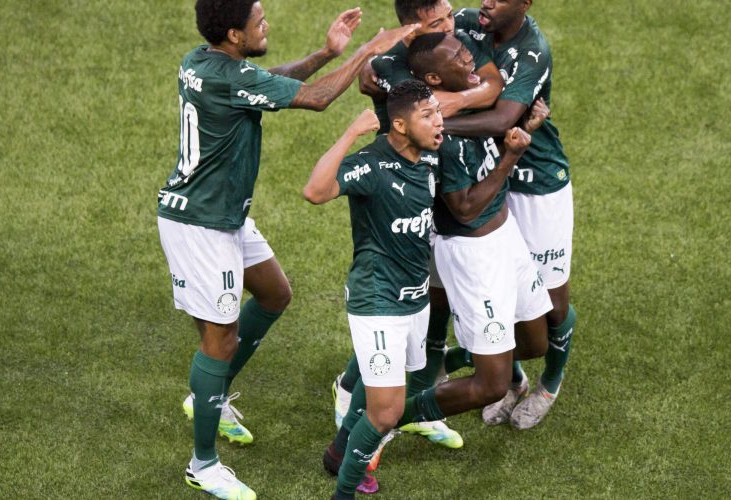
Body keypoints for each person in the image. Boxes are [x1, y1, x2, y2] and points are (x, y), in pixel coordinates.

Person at [156, 1, 417, 497]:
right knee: (220, 340)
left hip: (224, 215)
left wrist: (324, 52)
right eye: (258, 22)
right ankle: (203, 463)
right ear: (234, 35)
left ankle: (207, 396)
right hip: (201, 226)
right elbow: (316, 100)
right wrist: (367, 51)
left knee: (275, 294)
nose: (266, 24)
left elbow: (266, 79)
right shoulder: (229, 76)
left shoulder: (201, 61)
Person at [330, 0, 506, 458]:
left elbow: (492, 88)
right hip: (405, 202)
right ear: (410, 31)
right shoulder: (388, 67)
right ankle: (352, 390)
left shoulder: (455, 41)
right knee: (393, 310)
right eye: (436, 23)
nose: (449, 30)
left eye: (449, 17)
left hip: (434, 199)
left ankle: (418, 406)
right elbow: (379, 84)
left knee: (430, 308)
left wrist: (459, 97)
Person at [303, 80, 444, 500]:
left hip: (415, 297)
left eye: (438, 111)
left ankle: (339, 451)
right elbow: (315, 191)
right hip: (377, 300)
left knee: (398, 384)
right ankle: (342, 492)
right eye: (427, 115)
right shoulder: (372, 165)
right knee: (387, 411)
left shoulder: (430, 159)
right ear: (399, 124)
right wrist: (349, 133)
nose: (439, 121)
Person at [442, 0, 577, 430]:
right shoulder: (463, 21)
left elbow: (504, 117)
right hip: (488, 179)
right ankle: (513, 378)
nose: (486, 1)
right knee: (503, 294)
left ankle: (549, 384)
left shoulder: (532, 50)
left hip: (536, 184)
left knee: (552, 308)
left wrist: (435, 120)